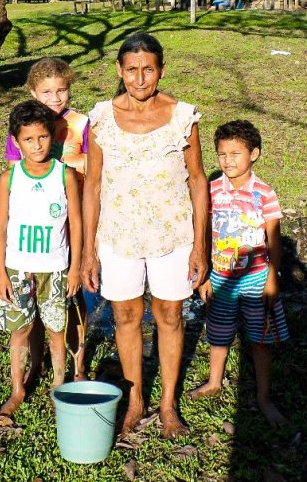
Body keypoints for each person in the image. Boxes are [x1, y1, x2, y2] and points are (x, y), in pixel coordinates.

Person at [81, 32, 209, 438]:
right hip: (118, 234)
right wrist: (88, 251)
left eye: (148, 70)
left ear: (161, 71)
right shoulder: (101, 118)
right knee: (125, 315)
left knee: (170, 315)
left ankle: (168, 404)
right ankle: (136, 399)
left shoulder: (182, 117)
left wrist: (200, 246)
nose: (140, 79)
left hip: (173, 233)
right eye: (132, 70)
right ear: (119, 70)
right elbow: (93, 185)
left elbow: (198, 180)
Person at [189, 120, 289, 428]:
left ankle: (263, 397)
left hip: (256, 279)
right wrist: (205, 275)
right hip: (220, 278)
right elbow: (203, 234)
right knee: (218, 333)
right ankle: (214, 381)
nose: (228, 160)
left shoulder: (264, 193)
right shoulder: (210, 191)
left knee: (260, 339)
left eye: (235, 153)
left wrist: (272, 278)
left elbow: (273, 240)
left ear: (254, 154)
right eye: (222, 154)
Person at [0, 100, 82, 417]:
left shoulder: (65, 175)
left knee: (56, 330)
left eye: (42, 137)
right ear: (16, 142)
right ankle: (17, 389)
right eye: (28, 139)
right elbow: (0, 227)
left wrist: (75, 268)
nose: (37, 145)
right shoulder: (9, 178)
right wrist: (1, 273)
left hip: (55, 268)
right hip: (18, 268)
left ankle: (58, 387)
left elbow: (76, 224)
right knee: (21, 329)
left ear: (52, 137)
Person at [4, 58, 90, 380]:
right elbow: (15, 175)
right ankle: (37, 363)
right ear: (33, 92)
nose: (55, 98)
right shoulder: (24, 124)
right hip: (37, 225)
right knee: (37, 304)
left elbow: (94, 165)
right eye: (46, 92)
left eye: (61, 91)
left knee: (73, 297)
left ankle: (78, 366)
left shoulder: (81, 123)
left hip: (73, 216)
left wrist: (71, 163)